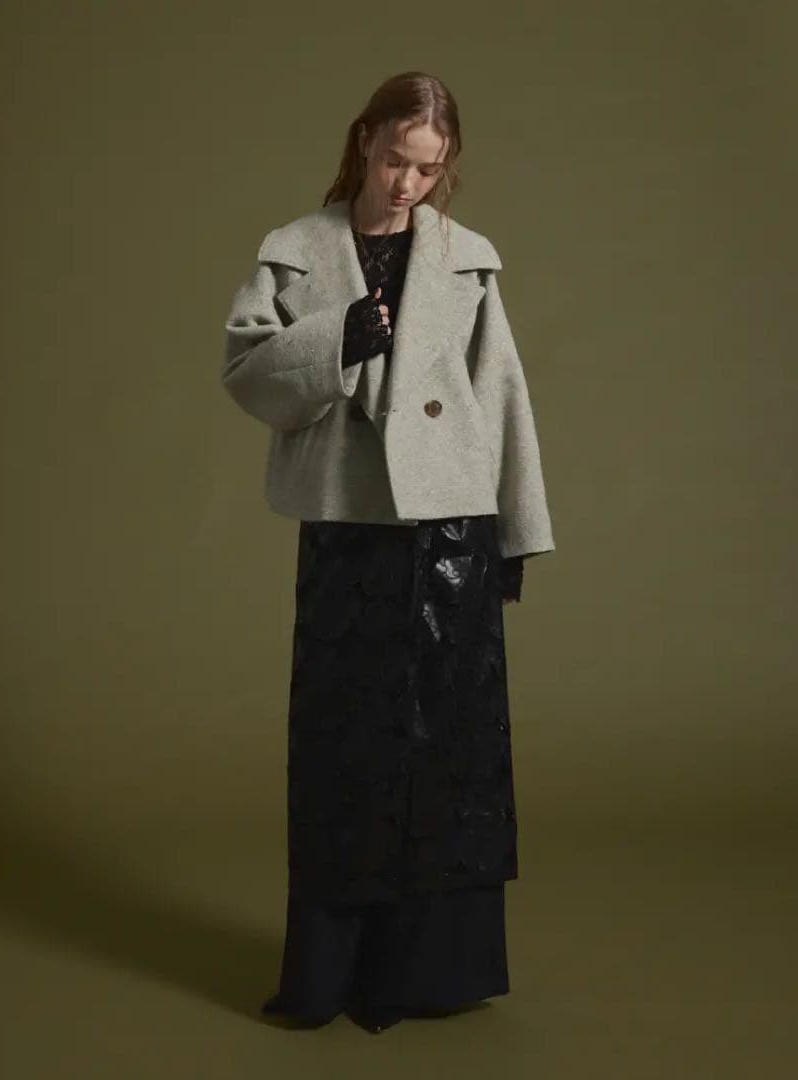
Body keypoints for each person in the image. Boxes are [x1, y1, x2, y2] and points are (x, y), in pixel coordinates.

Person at [222, 71, 555, 1034]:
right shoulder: (296, 250)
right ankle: (330, 978)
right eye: (397, 159)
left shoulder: (466, 259)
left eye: (429, 168)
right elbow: (245, 371)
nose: (408, 183)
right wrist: (338, 339)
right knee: (346, 749)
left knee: (449, 755)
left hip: (451, 528)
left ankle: (431, 974)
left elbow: (501, 393)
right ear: (365, 139)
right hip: (350, 523)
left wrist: (516, 532)